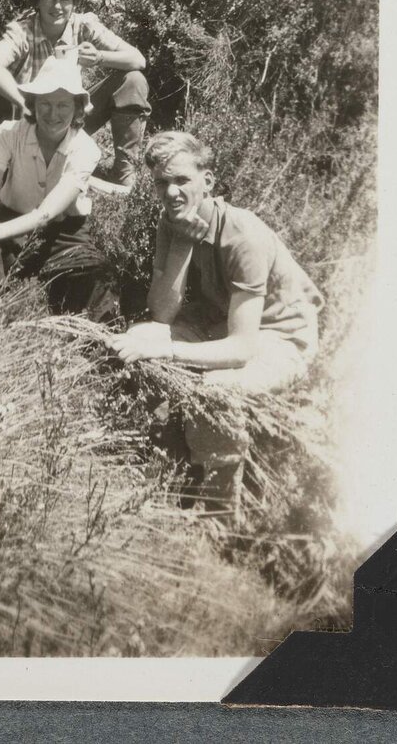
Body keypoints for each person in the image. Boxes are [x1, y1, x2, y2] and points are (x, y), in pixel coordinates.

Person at [109, 130, 324, 512]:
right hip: (220, 318)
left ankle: (218, 511)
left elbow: (242, 348)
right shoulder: (171, 221)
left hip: (280, 335)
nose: (171, 192)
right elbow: (162, 313)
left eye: (182, 180)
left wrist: (170, 350)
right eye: (162, 183)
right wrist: (183, 243)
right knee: (137, 336)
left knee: (214, 391)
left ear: (207, 181)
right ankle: (169, 460)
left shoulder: (242, 234)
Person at [0, 57, 115, 314]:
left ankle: (94, 334)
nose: (53, 114)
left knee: (93, 272)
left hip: (65, 233)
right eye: (45, 104)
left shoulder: (86, 149)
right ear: (33, 104)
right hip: (11, 220)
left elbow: (46, 213)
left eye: (63, 105)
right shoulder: (10, 133)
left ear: (77, 109)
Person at [0, 0, 150, 189]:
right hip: (29, 120)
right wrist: (25, 103)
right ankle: (36, 165)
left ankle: (123, 174)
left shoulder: (83, 26)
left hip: (66, 115)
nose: (57, 7)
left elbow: (138, 59)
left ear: (73, 4)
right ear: (38, 1)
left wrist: (99, 57)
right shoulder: (22, 32)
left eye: (65, 0)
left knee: (133, 81)